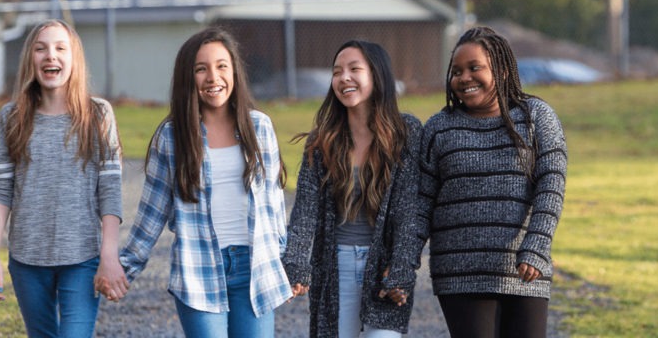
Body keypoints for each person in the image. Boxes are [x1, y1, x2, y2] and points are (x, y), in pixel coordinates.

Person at [115, 27, 292, 338]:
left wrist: (284, 264)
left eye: (222, 66)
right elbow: (152, 212)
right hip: (198, 270)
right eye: (201, 69)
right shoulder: (172, 137)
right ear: (188, 77)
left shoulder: (260, 127)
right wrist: (124, 269)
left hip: (255, 270)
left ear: (234, 71)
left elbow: (274, 205)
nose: (213, 77)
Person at [414, 26, 567, 338]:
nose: (464, 78)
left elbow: (551, 184)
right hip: (460, 275)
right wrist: (404, 262)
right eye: (456, 71)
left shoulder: (536, 117)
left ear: (501, 69)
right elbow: (420, 205)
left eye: (474, 68)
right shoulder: (438, 129)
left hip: (524, 271)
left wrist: (536, 245)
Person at [0, 19, 127, 337]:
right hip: (27, 260)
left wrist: (109, 254)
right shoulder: (12, 118)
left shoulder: (98, 115)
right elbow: (2, 189)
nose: (51, 56)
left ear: (74, 59)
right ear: (29, 59)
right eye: (41, 48)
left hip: (82, 259)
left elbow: (110, 188)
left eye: (61, 48)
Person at [281, 40, 422, 337]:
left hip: (382, 270)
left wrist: (401, 270)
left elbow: (411, 212)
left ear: (377, 75)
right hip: (335, 269)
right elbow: (305, 213)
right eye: (337, 72)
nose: (343, 77)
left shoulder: (406, 133)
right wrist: (295, 264)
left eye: (354, 69)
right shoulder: (323, 141)